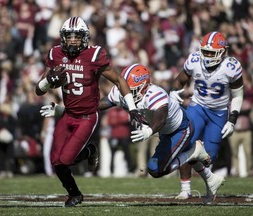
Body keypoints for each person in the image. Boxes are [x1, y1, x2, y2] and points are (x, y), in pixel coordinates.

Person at [41, 63, 216, 204]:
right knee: (161, 165)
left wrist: (149, 130)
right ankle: (209, 177)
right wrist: (64, 110)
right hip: (164, 132)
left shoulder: (156, 94)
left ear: (144, 86)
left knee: (156, 170)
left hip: (179, 129)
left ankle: (195, 151)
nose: (126, 93)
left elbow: (160, 118)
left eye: (131, 89)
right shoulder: (121, 91)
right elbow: (97, 106)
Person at [35, 16, 142, 207]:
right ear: (63, 37)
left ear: (85, 37)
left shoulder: (94, 55)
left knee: (66, 159)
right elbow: (38, 90)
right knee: (56, 162)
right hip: (67, 114)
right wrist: (48, 81)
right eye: (69, 36)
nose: (73, 40)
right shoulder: (56, 54)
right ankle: (74, 194)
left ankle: (90, 150)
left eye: (77, 36)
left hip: (87, 116)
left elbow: (119, 80)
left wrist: (132, 108)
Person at [170, 31, 244, 202]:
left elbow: (238, 95)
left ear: (223, 52)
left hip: (218, 113)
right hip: (197, 106)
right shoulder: (195, 60)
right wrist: (174, 94)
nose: (207, 55)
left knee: (208, 157)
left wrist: (232, 119)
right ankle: (185, 189)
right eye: (205, 51)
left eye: (212, 52)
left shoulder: (231, 67)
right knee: (184, 144)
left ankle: (210, 187)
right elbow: (180, 79)